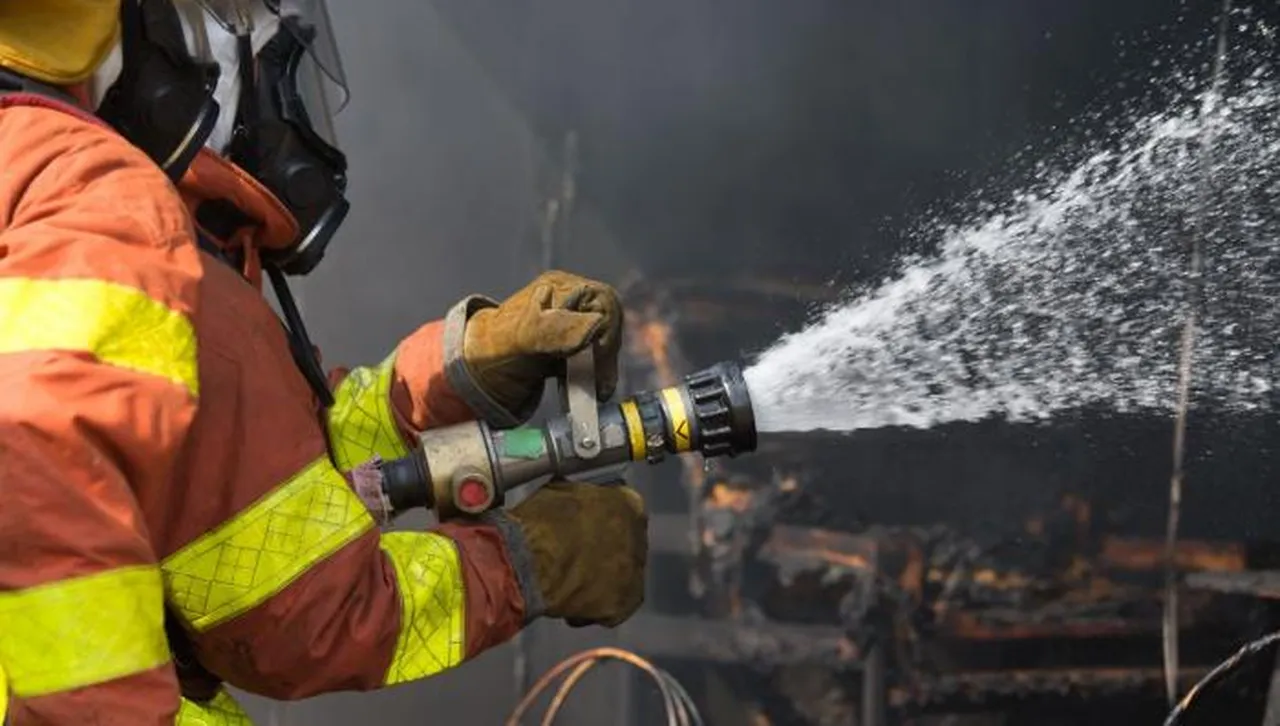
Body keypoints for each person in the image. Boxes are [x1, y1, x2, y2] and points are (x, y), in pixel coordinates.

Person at [0, 1, 648, 724]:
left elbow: (243, 490)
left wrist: (456, 373)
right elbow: (295, 614)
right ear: (158, 41)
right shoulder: (98, 204)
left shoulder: (28, 176)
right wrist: (528, 565)